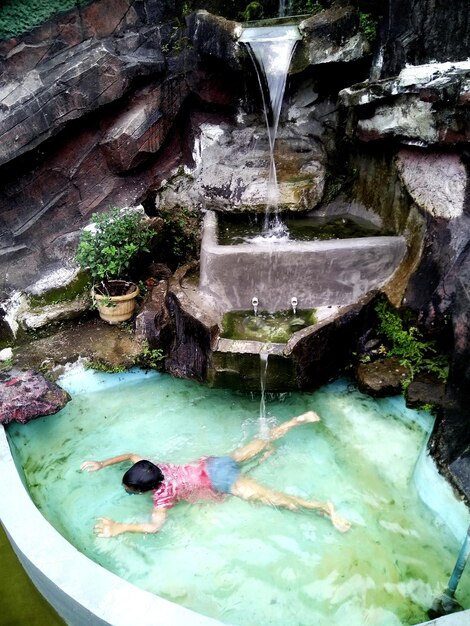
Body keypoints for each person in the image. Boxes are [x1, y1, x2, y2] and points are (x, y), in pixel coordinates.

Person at [80, 410, 351, 537]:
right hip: (214, 463)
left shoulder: (162, 497)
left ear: (147, 490)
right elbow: (130, 455)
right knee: (260, 443)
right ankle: (295, 421)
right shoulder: (152, 465)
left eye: (131, 490)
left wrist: (120, 527)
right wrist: (102, 463)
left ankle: (323, 507)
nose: (129, 490)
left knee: (272, 498)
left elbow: (154, 527)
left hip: (223, 480)